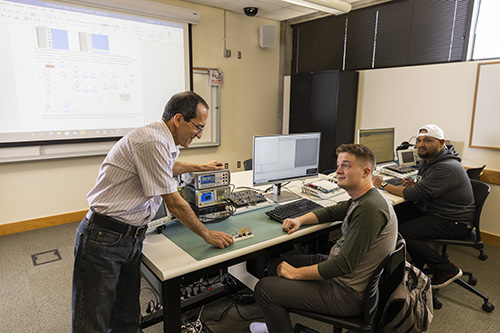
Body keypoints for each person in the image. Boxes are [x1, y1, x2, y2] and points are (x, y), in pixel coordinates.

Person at [72, 91, 234, 333]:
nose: (199, 134)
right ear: (178, 119)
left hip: (131, 238)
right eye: (198, 127)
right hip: (104, 237)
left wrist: (201, 166)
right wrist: (207, 235)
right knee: (92, 323)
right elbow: (176, 203)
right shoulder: (152, 141)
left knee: (127, 318)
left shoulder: (163, 139)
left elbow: (168, 166)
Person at [250, 144, 398, 333]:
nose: (337, 171)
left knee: (264, 289)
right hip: (345, 275)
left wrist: (295, 273)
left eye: (345, 166)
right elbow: (332, 211)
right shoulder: (365, 197)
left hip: (347, 293)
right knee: (275, 264)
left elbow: (343, 265)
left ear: (365, 171)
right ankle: (276, 324)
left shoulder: (370, 208)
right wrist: (299, 219)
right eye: (338, 165)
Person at [373, 124, 475, 289]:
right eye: (419, 140)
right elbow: (425, 189)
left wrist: (382, 184)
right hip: (437, 210)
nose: (421, 144)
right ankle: (417, 262)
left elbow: (413, 195)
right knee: (394, 213)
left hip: (454, 221)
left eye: (428, 140)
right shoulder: (432, 161)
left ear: (441, 143)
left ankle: (447, 269)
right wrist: (415, 184)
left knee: (404, 232)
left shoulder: (445, 167)